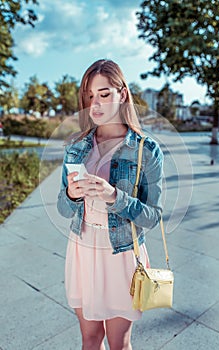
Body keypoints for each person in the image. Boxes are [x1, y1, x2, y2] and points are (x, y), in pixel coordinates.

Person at [57, 59, 164, 350]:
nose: (96, 104)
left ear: (122, 94)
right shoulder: (76, 146)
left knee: (119, 343)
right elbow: (63, 208)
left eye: (104, 94)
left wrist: (114, 197)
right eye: (90, 96)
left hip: (122, 253)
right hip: (83, 248)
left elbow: (152, 216)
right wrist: (72, 195)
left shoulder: (146, 149)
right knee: (90, 340)